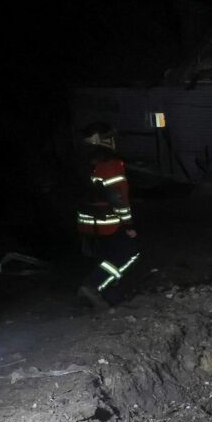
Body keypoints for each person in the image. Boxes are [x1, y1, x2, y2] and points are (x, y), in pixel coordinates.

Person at [75, 122, 140, 309]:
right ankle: (93, 286)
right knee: (129, 254)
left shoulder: (81, 160)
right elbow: (118, 196)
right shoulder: (109, 162)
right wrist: (128, 224)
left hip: (86, 221)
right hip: (108, 222)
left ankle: (110, 296)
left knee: (106, 257)